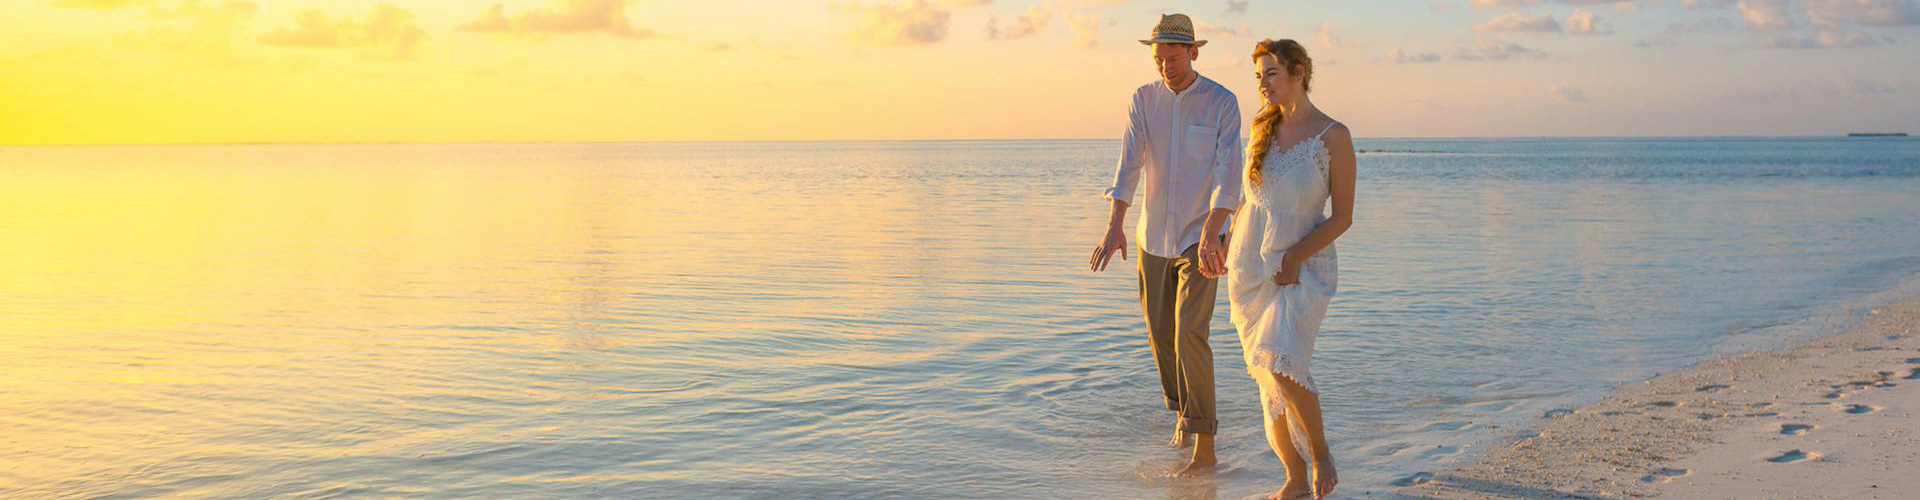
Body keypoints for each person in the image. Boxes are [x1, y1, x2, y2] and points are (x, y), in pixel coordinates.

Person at [1088, 13, 1243, 477]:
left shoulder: (1222, 102)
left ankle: (1205, 446)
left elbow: (1228, 171)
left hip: (1201, 238)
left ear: (1193, 51)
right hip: (1153, 237)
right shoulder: (1143, 99)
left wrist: (1217, 226)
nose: (1165, 67)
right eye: (1158, 59)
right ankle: (1182, 412)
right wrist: (1115, 223)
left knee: (1189, 333)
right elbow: (1129, 165)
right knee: (1161, 337)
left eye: (1173, 58)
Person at [1224, 38, 1353, 500]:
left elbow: (1343, 217)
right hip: (1250, 266)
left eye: (1271, 74)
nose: (1262, 84)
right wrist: (1221, 238)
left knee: (1281, 360)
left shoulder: (1333, 135)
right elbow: (1250, 199)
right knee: (1266, 376)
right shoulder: (1262, 128)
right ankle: (1294, 478)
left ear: (1299, 71)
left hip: (1303, 265)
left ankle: (1321, 454)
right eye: (1258, 76)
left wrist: (1295, 257)